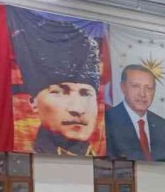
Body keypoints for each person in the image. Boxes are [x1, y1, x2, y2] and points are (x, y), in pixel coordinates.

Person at [9, 8, 101, 156]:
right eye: (59, 92)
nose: (77, 109)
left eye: (86, 93)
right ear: (33, 102)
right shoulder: (26, 156)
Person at [106, 64, 165, 161]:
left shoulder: (161, 124)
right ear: (123, 87)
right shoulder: (107, 120)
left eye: (149, 88)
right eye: (136, 86)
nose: (142, 94)